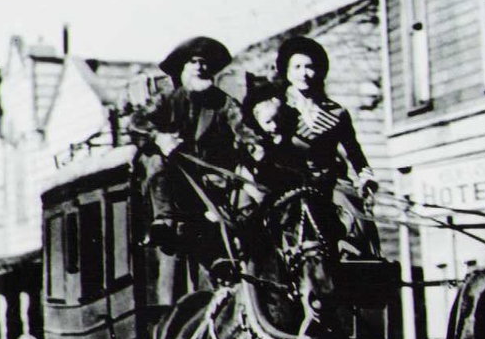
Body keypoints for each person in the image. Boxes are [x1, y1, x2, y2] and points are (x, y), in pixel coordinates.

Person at [128, 35, 251, 300]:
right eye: (193, 62)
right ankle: (164, 221)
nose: (199, 67)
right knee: (154, 158)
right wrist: (159, 138)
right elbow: (135, 124)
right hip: (171, 187)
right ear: (182, 70)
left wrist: (257, 147)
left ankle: (223, 275)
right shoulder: (166, 100)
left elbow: (244, 130)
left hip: (210, 186)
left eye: (205, 63)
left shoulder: (224, 104)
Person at [274, 35, 380, 256]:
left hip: (331, 181)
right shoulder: (278, 110)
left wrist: (365, 175)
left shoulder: (336, 112)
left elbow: (354, 150)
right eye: (297, 67)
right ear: (287, 72)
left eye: (310, 67)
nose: (304, 73)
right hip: (292, 183)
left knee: (357, 219)